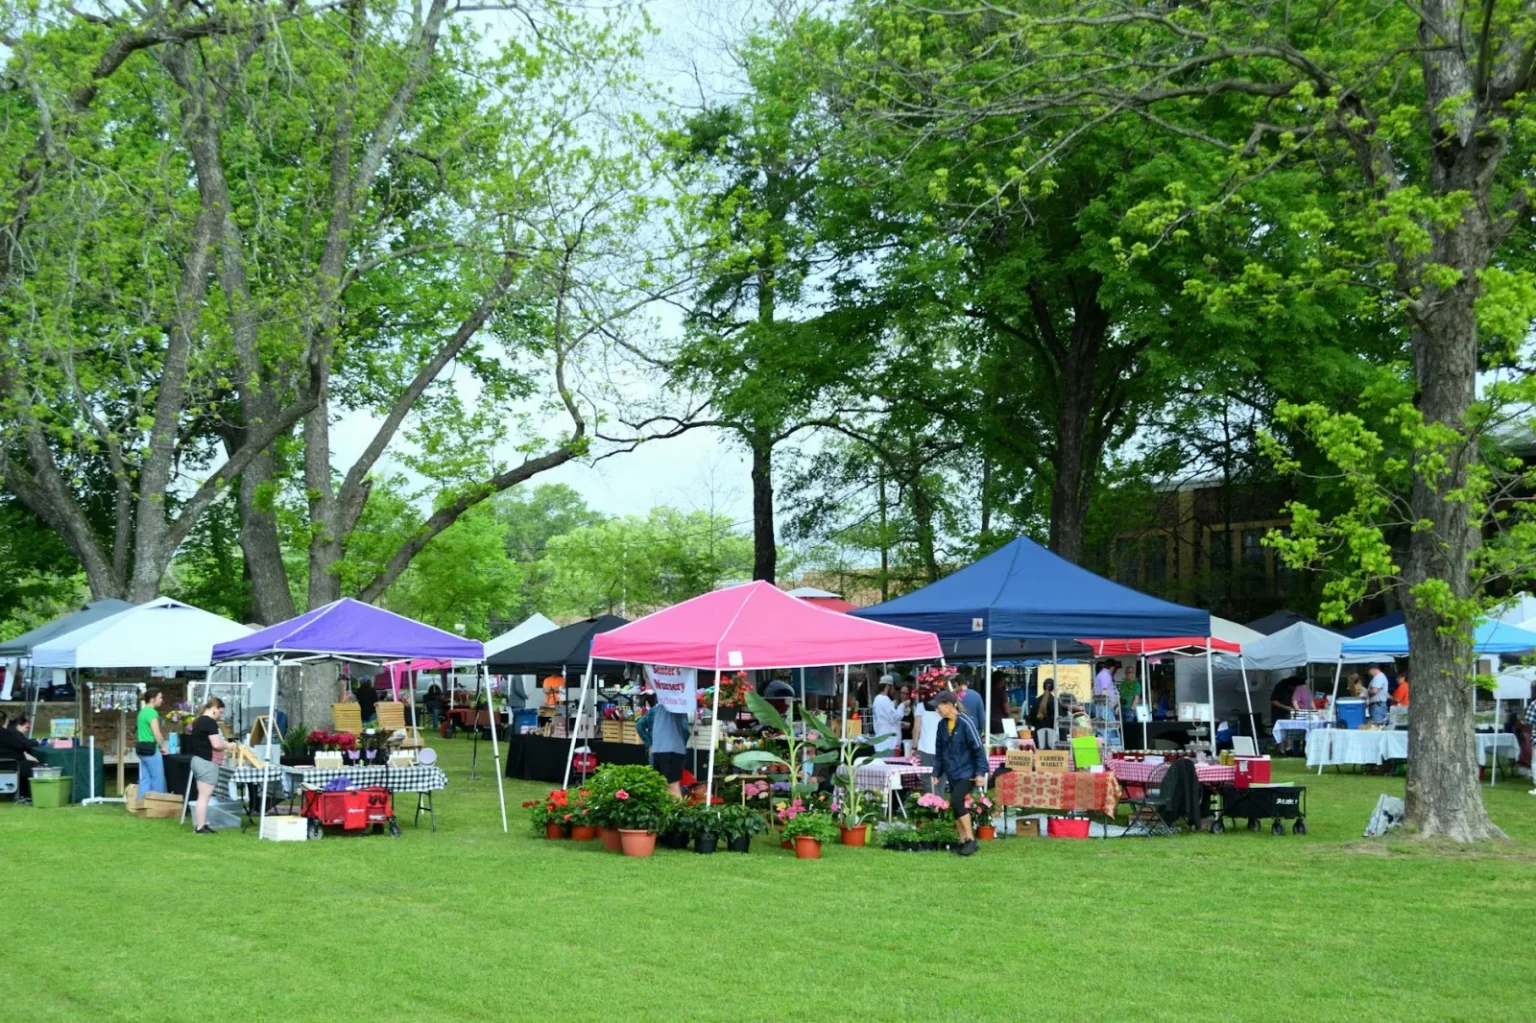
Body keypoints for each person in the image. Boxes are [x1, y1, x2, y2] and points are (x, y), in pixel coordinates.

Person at [931, 691, 987, 856]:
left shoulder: (966, 722)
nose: (937, 711)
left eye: (939, 707)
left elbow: (978, 749)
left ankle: (971, 840)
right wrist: (937, 771)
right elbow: (939, 751)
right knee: (957, 806)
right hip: (952, 772)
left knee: (956, 801)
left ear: (949, 704)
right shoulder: (942, 725)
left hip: (967, 771)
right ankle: (962, 841)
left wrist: (980, 772)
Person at [187, 697, 230, 835]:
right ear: (214, 709)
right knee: (204, 796)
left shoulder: (198, 721)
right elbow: (216, 744)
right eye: (220, 712)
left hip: (197, 760)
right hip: (207, 762)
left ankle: (202, 824)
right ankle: (200, 826)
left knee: (202, 795)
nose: (220, 716)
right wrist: (228, 745)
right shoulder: (210, 723)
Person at [647, 701, 690, 798]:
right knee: (662, 786)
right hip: (659, 749)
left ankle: (679, 812)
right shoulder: (659, 706)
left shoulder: (675, 703)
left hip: (672, 749)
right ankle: (669, 811)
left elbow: (685, 730)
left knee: (672, 786)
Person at [0, 714, 43, 805]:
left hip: (7, 763)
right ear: (4, 721)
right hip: (10, 765)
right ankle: (27, 794)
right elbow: (21, 746)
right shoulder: (7, 734)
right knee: (33, 767)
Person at [135, 688, 170, 796]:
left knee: (146, 778)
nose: (161, 700)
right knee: (157, 778)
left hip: (141, 749)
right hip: (151, 750)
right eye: (160, 697)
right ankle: (158, 804)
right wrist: (163, 746)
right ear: (152, 699)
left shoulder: (142, 712)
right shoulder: (152, 713)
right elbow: (157, 734)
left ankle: (141, 804)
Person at [871, 678, 906, 756]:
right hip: (888, 744)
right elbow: (894, 718)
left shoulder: (877, 699)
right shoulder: (885, 700)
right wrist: (903, 705)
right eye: (893, 688)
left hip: (881, 742)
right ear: (887, 687)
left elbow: (885, 719)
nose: (894, 691)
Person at [914, 696, 940, 791]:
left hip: (926, 748)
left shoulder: (920, 707)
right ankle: (941, 802)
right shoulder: (942, 706)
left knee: (926, 778)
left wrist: (914, 746)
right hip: (941, 748)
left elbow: (916, 729)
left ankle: (935, 802)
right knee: (939, 779)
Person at [1029, 679, 1058, 749]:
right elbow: (1057, 718)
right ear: (1053, 688)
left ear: (1043, 687)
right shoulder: (1055, 701)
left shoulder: (1037, 700)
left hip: (1038, 733)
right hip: (1051, 734)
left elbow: (1031, 717)